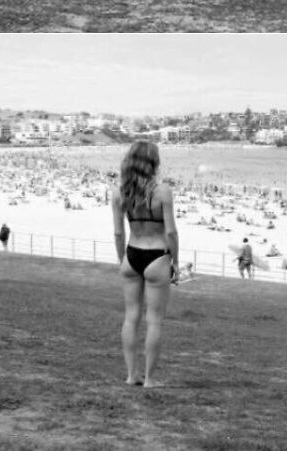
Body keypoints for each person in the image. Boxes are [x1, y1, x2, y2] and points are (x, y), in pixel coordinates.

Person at [111, 140, 179, 388]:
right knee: (154, 320)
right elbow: (170, 232)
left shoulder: (119, 192)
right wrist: (176, 261)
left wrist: (122, 261)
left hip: (132, 254)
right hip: (156, 256)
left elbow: (118, 233)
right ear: (153, 163)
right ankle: (149, 379)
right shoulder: (163, 191)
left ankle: (132, 375)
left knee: (130, 318)